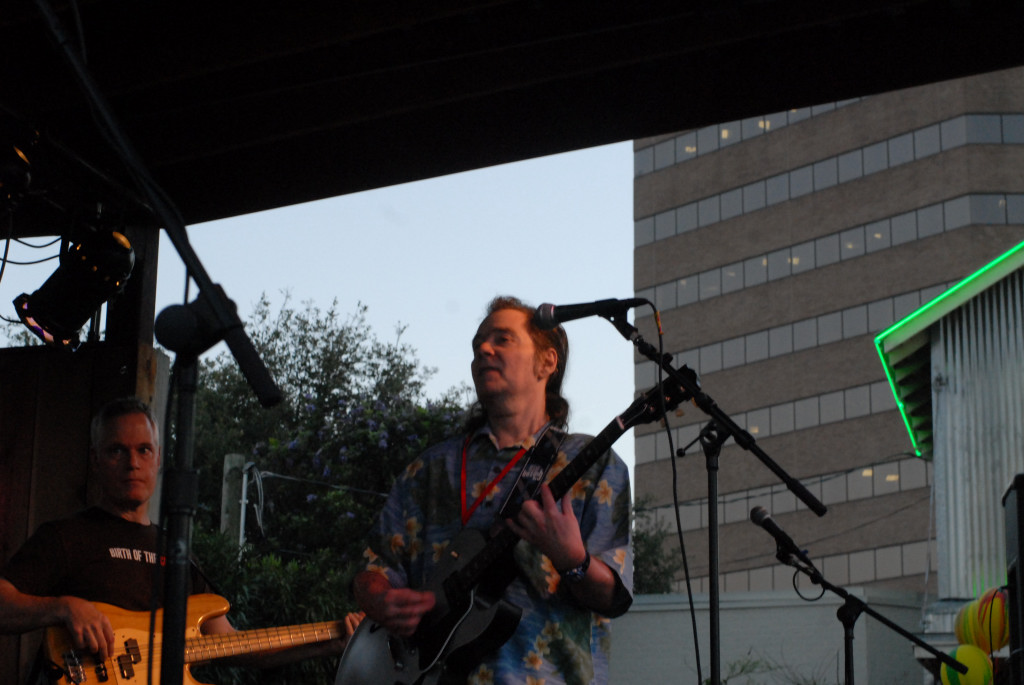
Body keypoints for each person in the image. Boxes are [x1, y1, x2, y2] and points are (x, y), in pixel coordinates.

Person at [353, 295, 633, 685]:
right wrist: (381, 599)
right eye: (478, 345)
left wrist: (572, 559)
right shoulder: (427, 470)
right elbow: (371, 572)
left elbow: (613, 598)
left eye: (503, 339)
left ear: (546, 362)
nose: (484, 349)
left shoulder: (594, 463)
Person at [0, 396, 360, 679]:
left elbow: (236, 645)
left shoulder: (178, 553)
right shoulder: (66, 536)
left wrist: (329, 641)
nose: (132, 463)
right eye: (116, 450)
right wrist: (63, 607)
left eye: (144, 450)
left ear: (158, 460)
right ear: (95, 460)